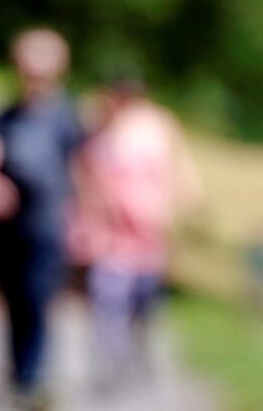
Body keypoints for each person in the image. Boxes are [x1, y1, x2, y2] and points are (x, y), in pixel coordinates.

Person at [0, 28, 83, 408]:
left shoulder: (67, 118)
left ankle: (33, 377)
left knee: (39, 300)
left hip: (49, 223)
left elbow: (88, 168)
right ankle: (18, 375)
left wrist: (89, 218)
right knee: (13, 301)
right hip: (9, 227)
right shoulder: (4, 118)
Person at [71, 76, 200, 391]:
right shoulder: (98, 130)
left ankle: (136, 354)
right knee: (108, 300)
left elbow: (180, 168)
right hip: (110, 236)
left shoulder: (158, 127)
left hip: (149, 234)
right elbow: (82, 174)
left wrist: (187, 209)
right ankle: (109, 364)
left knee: (145, 302)